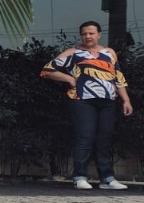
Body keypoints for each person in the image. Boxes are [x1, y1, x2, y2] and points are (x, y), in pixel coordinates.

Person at [41, 21, 134, 190]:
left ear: (99, 34)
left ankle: (107, 178)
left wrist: (126, 100)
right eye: (84, 33)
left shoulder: (109, 53)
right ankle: (80, 176)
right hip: (82, 99)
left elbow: (119, 78)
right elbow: (47, 70)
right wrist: (69, 79)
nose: (88, 36)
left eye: (91, 33)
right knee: (85, 136)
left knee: (104, 139)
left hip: (107, 101)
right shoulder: (73, 53)